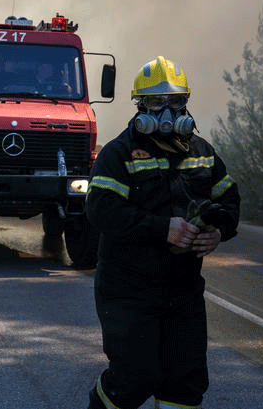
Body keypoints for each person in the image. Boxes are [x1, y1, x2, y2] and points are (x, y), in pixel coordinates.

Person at [85, 56, 240, 409]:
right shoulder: (118, 154)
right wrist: (162, 229)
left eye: (175, 102)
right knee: (133, 379)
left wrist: (219, 232)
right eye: (156, 102)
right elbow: (101, 210)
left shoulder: (202, 153)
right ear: (140, 105)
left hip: (183, 292)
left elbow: (229, 199)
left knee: (185, 385)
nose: (167, 112)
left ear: (186, 104)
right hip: (128, 291)